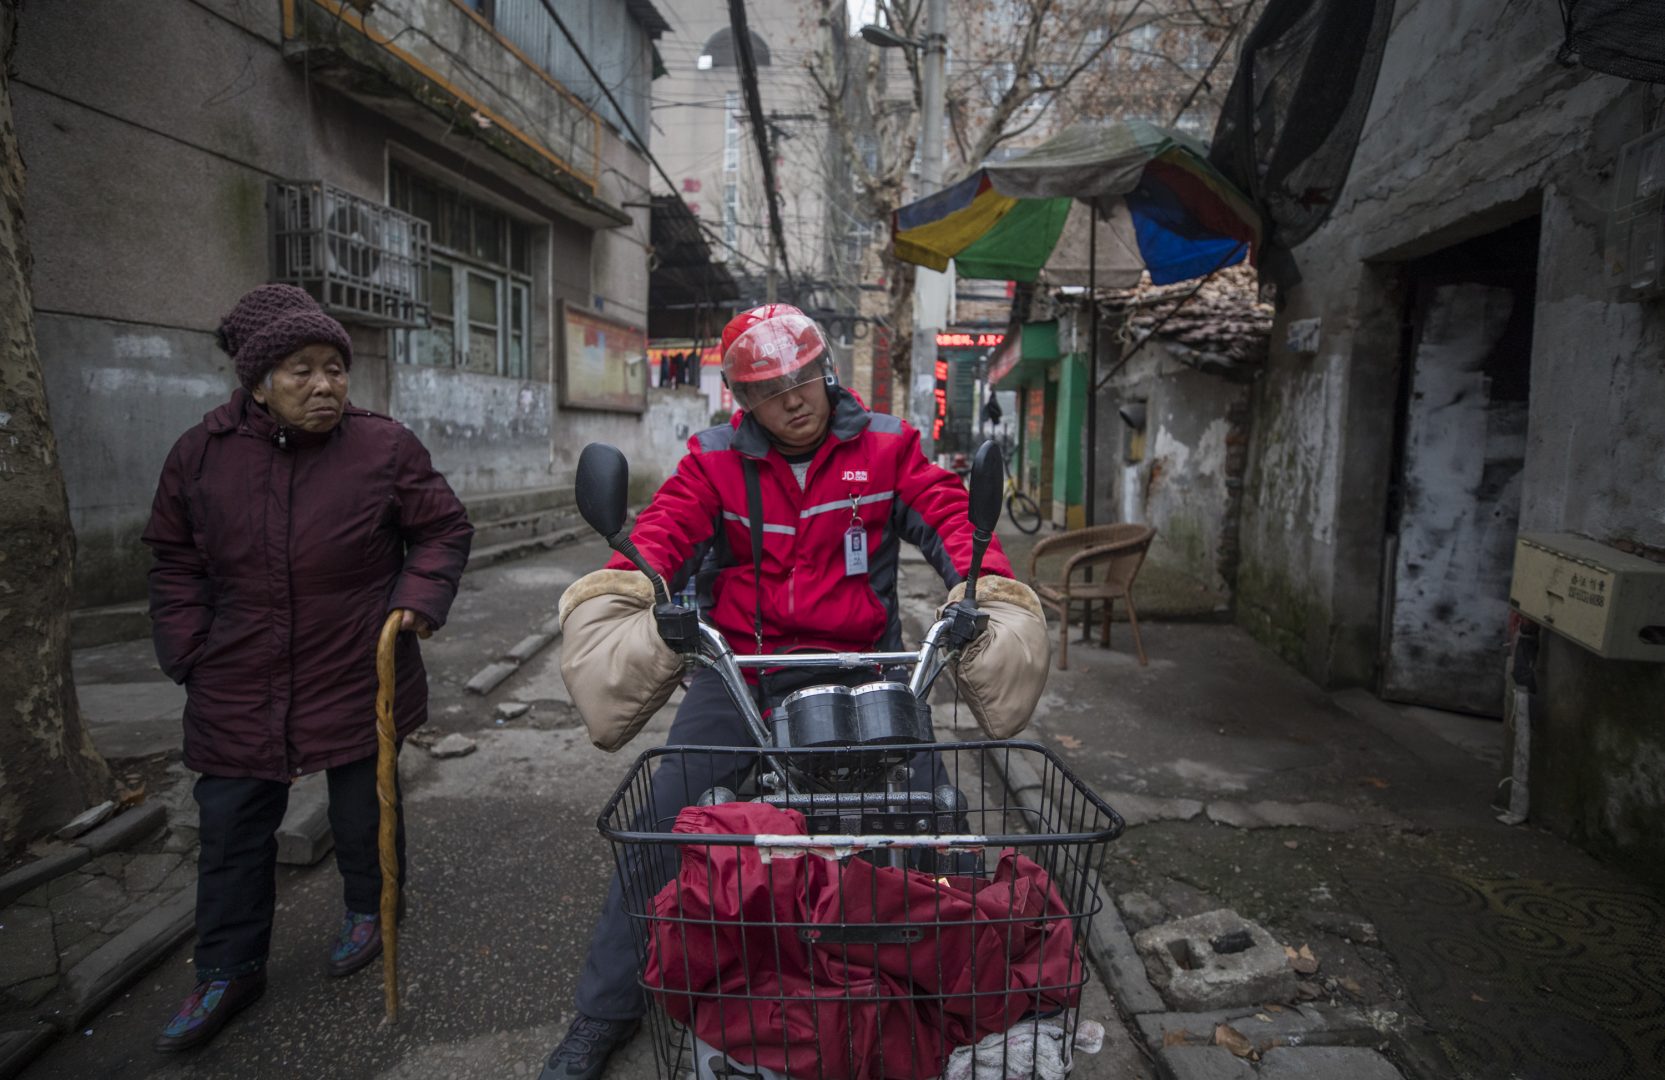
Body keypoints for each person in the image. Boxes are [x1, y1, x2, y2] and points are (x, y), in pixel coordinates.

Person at [538, 304, 1051, 1080]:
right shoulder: (711, 460)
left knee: (935, 815)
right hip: (742, 669)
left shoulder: (888, 446)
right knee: (664, 816)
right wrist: (626, 590)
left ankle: (960, 990)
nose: (793, 400)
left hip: (864, 667)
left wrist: (984, 589)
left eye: (803, 378)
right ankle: (605, 1010)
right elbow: (664, 532)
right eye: (769, 390)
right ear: (743, 401)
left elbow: (949, 515)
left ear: (826, 373)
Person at [143, 284, 473, 1052]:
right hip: (236, 674)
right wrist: (187, 650)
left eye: (335, 368)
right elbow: (173, 560)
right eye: (302, 370)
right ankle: (228, 969)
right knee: (231, 826)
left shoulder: (384, 447)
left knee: (364, 810)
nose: (325, 385)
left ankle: (370, 910)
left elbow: (442, 530)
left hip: (356, 664)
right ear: (258, 383)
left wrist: (416, 602)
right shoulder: (199, 454)